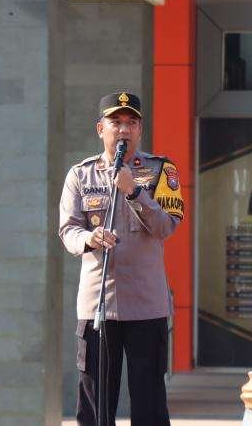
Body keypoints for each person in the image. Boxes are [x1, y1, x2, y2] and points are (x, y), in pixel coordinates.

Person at [59, 91, 184, 426]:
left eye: (131, 122)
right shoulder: (80, 175)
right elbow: (68, 230)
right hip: (98, 305)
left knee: (149, 403)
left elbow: (166, 227)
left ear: (140, 130)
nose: (124, 129)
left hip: (146, 304)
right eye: (116, 122)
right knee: (95, 405)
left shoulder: (161, 170)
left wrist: (134, 191)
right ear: (101, 128)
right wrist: (89, 238)